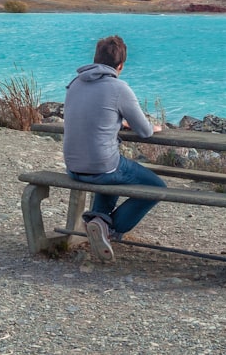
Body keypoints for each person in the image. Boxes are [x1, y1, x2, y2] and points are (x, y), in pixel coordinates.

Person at [62, 35, 164, 262]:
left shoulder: (75, 83)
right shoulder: (119, 88)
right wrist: (154, 127)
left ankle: (98, 221)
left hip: (73, 166)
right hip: (101, 167)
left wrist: (116, 121)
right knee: (157, 187)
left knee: (112, 172)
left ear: (95, 58)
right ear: (120, 66)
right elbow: (145, 131)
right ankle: (108, 228)